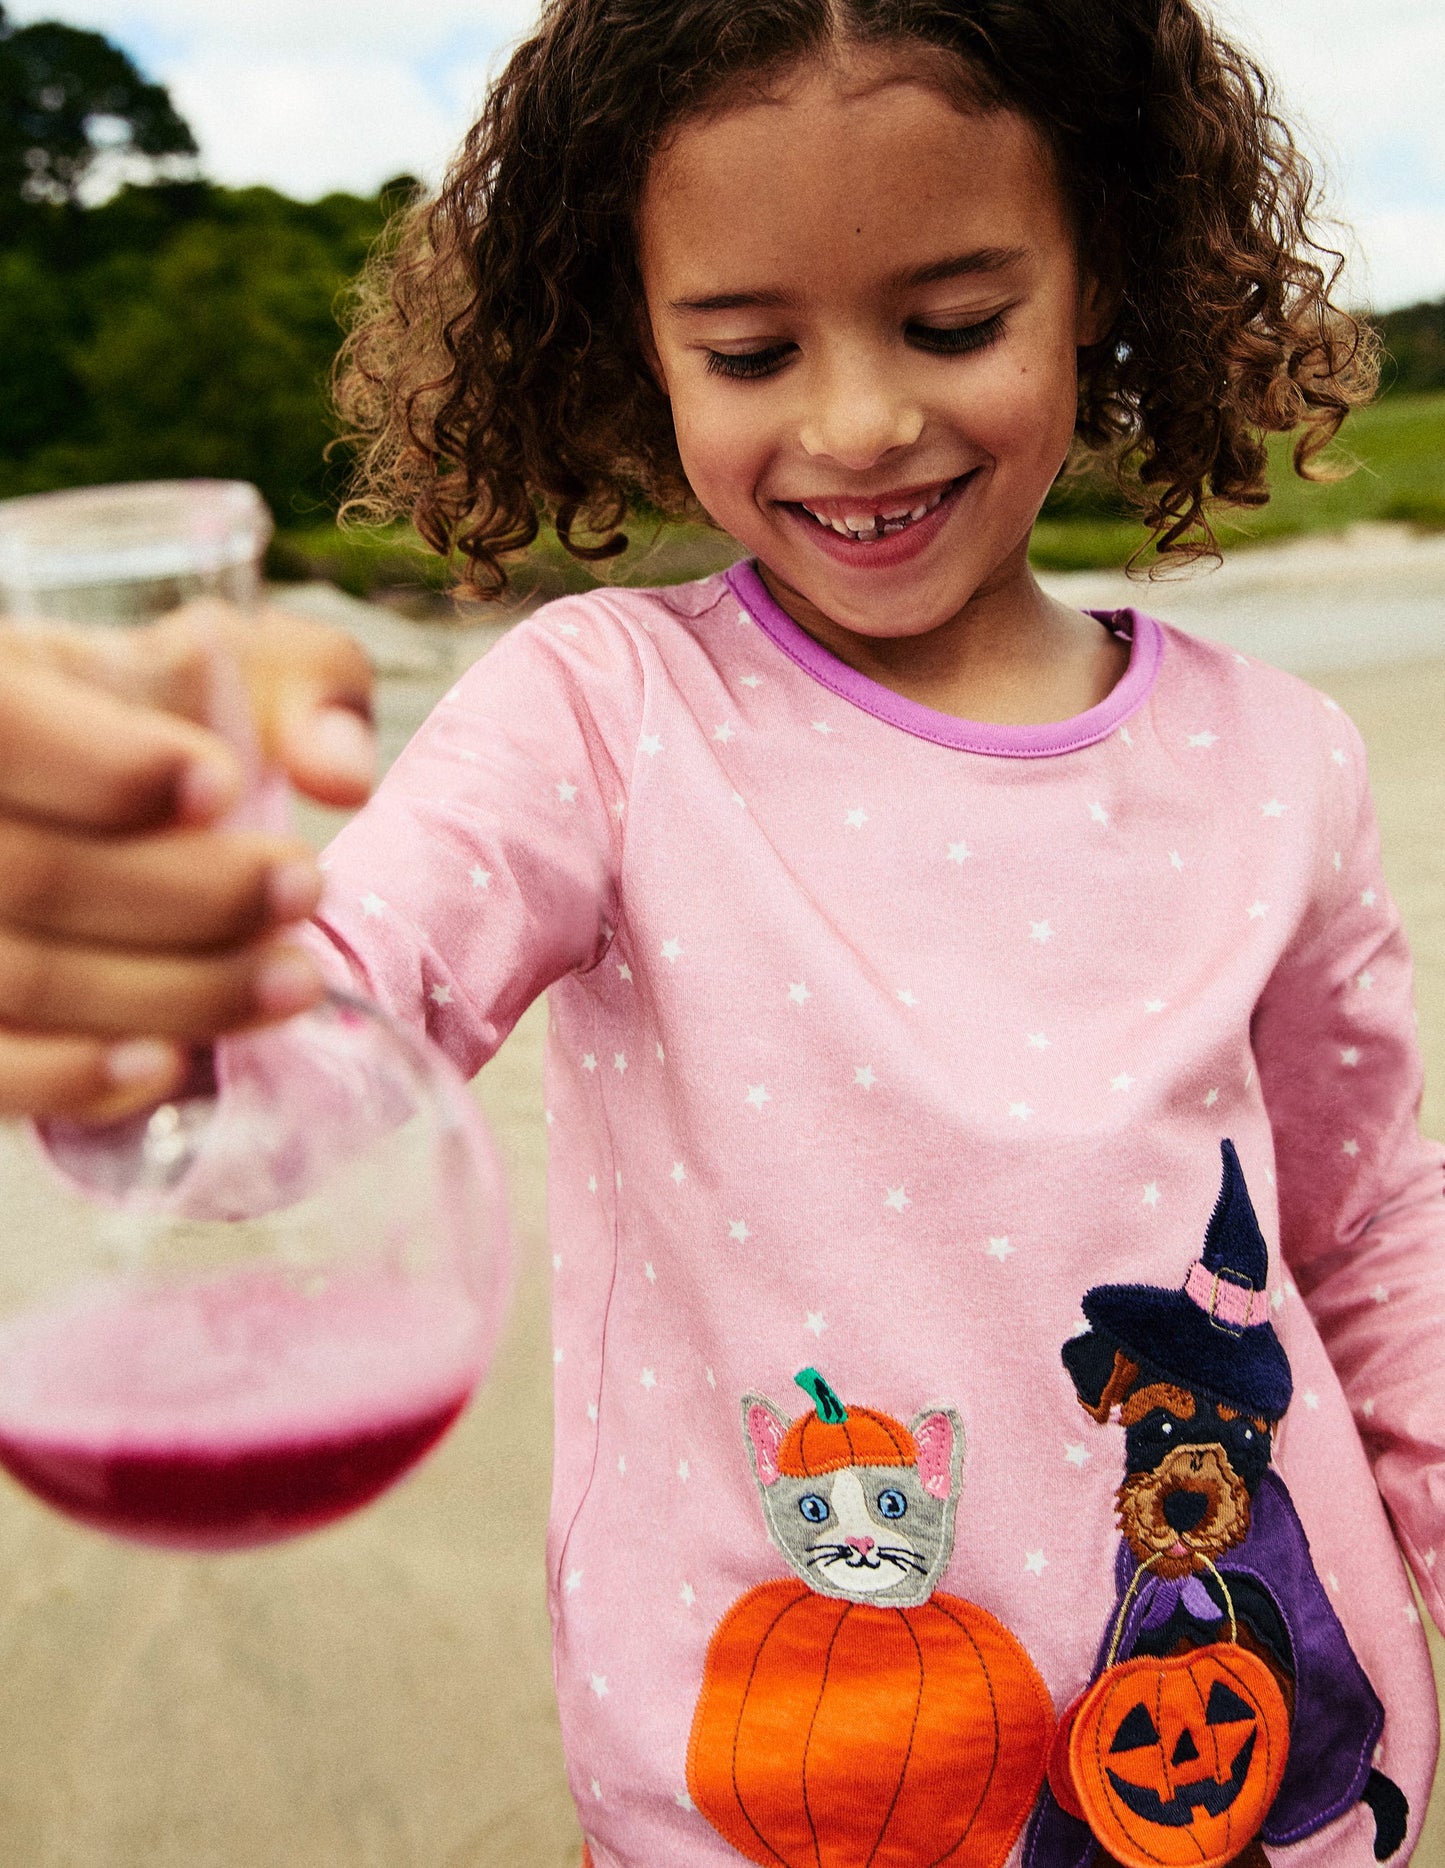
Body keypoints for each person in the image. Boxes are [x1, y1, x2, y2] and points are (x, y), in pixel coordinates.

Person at [0, 2, 1436, 1863]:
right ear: (637, 337)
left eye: (953, 324)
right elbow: (303, 1074)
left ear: (1099, 273)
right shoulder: (598, 718)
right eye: (749, 349)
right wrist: (138, 963)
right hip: (781, 1792)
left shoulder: (1277, 764)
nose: (857, 422)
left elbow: (1365, 1224)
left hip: (1265, 1765)